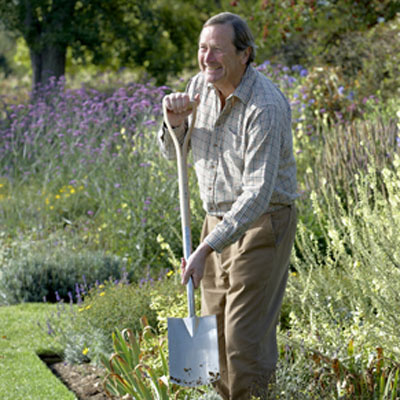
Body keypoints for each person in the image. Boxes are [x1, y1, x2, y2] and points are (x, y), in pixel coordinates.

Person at [158, 12, 298, 400]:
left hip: (262, 223)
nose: (208, 58)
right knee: (213, 335)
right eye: (203, 48)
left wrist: (205, 249)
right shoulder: (197, 88)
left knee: (242, 339)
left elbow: (256, 194)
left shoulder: (264, 106)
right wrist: (175, 123)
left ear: (244, 54)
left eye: (218, 49)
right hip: (215, 222)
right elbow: (174, 153)